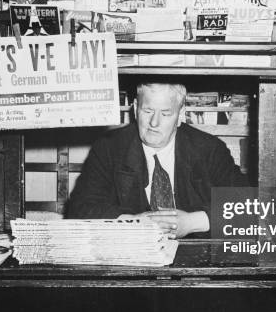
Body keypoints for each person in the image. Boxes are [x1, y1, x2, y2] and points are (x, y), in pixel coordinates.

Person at [66, 83, 246, 238]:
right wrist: (133, 224)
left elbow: (248, 207)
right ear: (135, 107)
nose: (154, 123)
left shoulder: (209, 149)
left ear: (180, 113)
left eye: (166, 114)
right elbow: (78, 209)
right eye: (148, 110)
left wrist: (191, 222)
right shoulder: (109, 148)